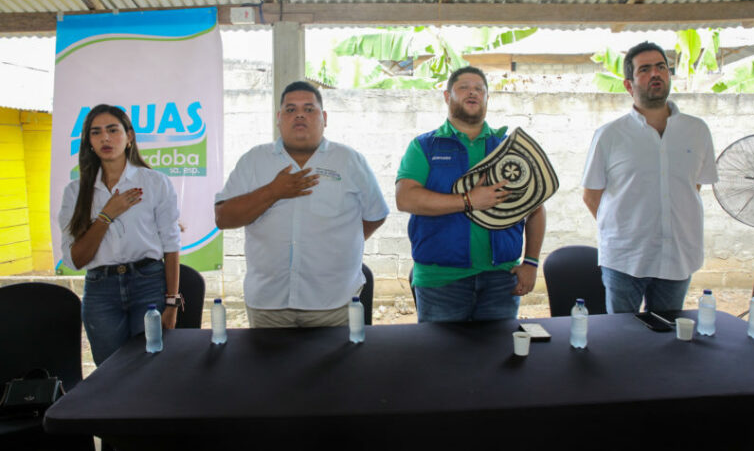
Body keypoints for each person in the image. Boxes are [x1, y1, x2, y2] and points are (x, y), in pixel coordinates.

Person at [214, 81, 389, 328]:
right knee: (268, 367)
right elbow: (223, 218)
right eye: (290, 109)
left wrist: (339, 247)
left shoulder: (349, 160)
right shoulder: (254, 160)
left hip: (333, 303)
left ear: (324, 117)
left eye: (309, 109)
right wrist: (273, 191)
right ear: (278, 118)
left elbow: (376, 215)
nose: (299, 115)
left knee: (338, 368)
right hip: (268, 304)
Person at [396, 66, 546, 322]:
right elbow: (405, 198)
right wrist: (468, 201)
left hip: (502, 279)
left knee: (497, 359)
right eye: (463, 87)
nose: (472, 92)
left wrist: (531, 263)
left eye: (479, 88)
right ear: (447, 96)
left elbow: (536, 208)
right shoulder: (425, 146)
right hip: (440, 280)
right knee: (443, 359)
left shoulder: (508, 148)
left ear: (488, 98)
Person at [582, 41, 718, 313]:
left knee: (665, 340)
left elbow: (694, 186)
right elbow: (591, 195)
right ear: (629, 85)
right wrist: (627, 230)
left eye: (661, 67)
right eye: (645, 69)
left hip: (678, 257)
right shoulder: (610, 135)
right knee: (622, 341)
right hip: (625, 260)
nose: (655, 73)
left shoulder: (697, 131)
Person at [59, 104, 181, 366]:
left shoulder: (155, 183)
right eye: (96, 132)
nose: (105, 138)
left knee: (152, 366)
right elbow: (76, 259)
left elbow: (171, 246)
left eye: (113, 130)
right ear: (89, 142)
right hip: (101, 291)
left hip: (149, 284)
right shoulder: (75, 192)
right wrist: (106, 215)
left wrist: (171, 303)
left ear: (130, 137)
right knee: (110, 372)